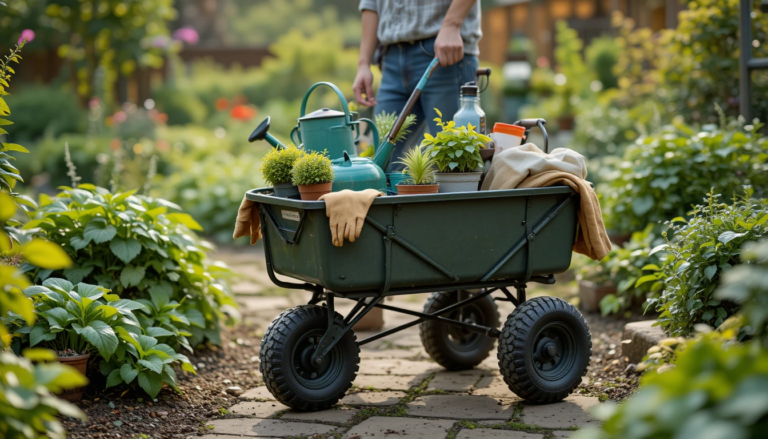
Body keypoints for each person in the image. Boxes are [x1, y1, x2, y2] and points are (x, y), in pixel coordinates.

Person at [353, 0, 482, 170]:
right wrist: (363, 63)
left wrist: (452, 23)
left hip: (443, 54)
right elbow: (371, 3)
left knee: (455, 163)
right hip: (391, 59)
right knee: (382, 165)